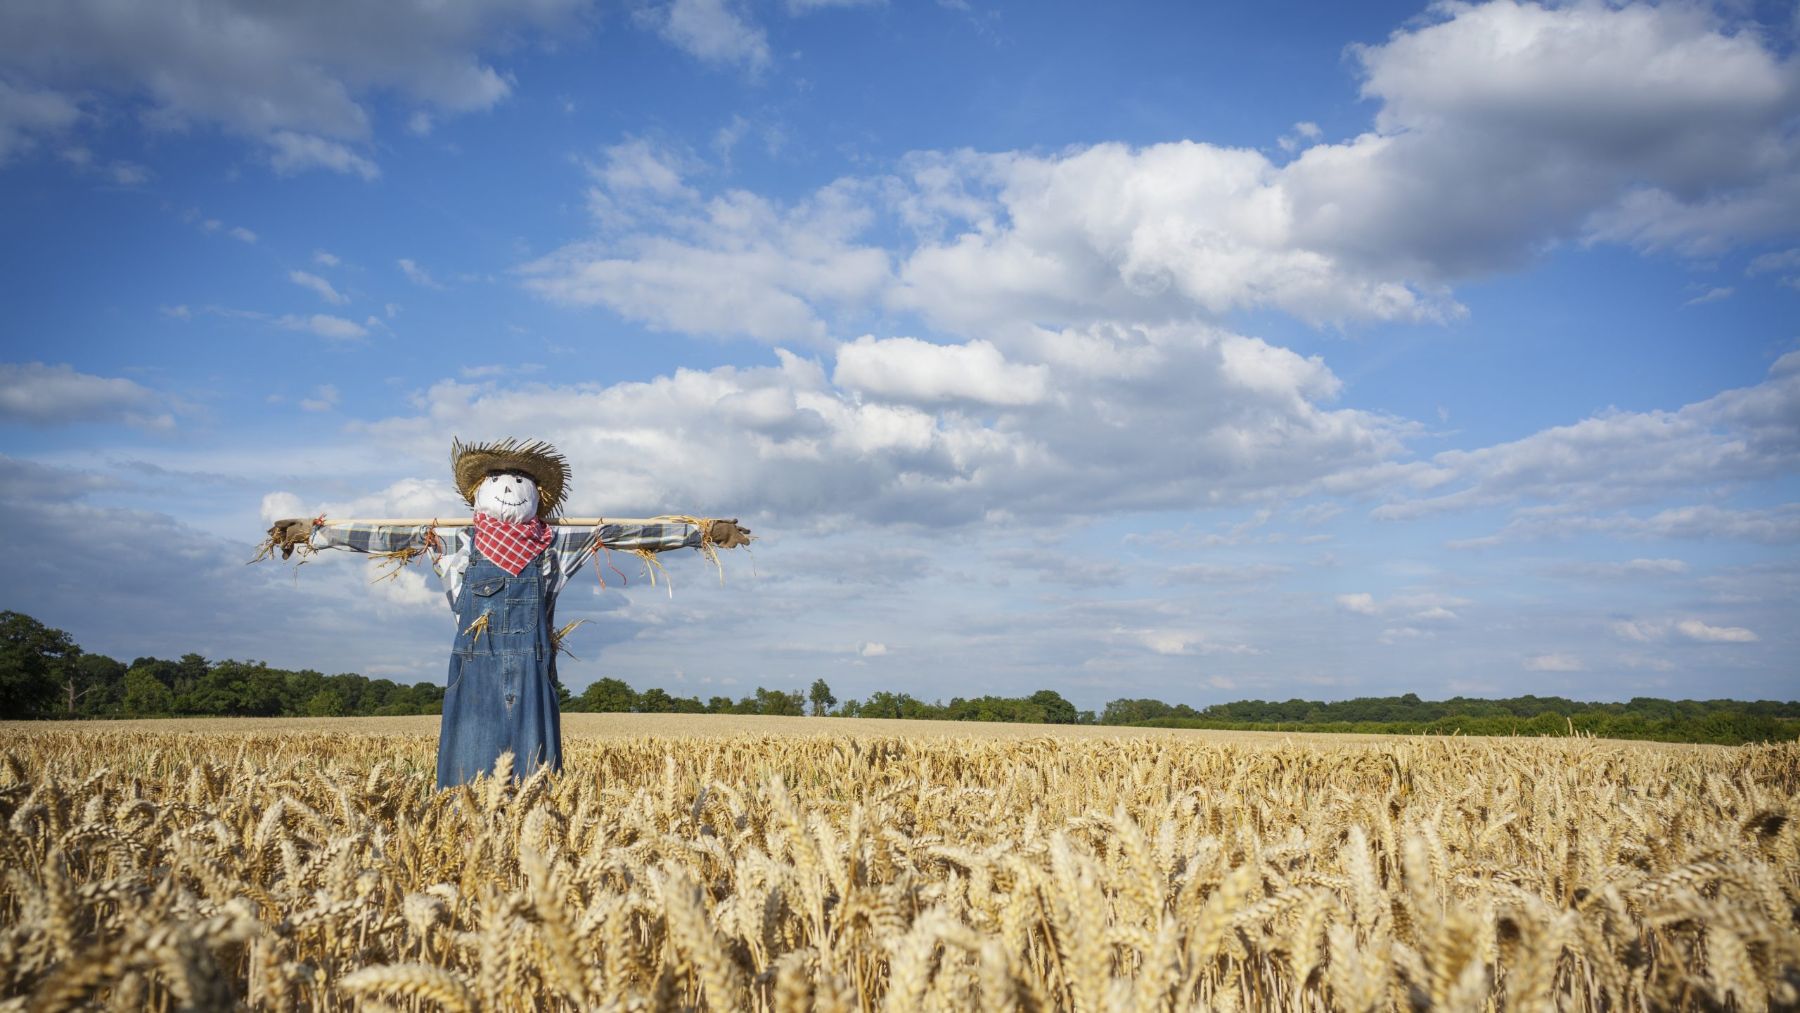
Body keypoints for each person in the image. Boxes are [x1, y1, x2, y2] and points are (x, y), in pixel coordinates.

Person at [267, 437, 748, 788]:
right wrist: (315, 532)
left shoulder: (554, 540)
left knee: (534, 780)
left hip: (533, 666)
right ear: (480, 491)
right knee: (468, 783)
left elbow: (626, 532)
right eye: (499, 481)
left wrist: (703, 532)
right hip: (472, 666)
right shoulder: (454, 540)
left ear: (537, 496)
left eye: (520, 482)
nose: (510, 489)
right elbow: (383, 535)